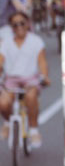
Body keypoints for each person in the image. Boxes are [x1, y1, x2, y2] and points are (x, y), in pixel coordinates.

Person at [0, 11, 50, 149]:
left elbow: (42, 63)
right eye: (15, 25)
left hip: (30, 79)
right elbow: (0, 62)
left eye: (22, 23)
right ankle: (8, 122)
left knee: (31, 96)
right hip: (11, 79)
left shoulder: (36, 41)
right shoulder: (6, 43)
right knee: (3, 103)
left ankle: (33, 131)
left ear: (28, 23)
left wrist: (45, 76)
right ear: (11, 28)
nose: (19, 27)